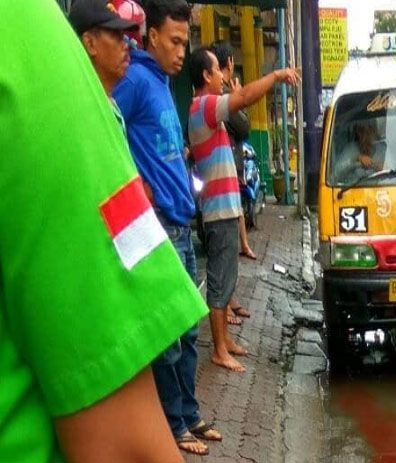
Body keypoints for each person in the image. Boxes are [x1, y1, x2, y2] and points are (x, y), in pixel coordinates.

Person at [0, 0, 209, 461]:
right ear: (88, 43)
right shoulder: (30, 40)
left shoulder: (148, 83)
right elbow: (126, 442)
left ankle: (185, 415)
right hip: (131, 242)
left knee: (180, 338)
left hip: (163, 228)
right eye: (115, 35)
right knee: (162, 348)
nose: (126, 44)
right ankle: (177, 420)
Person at [112, 0, 217, 455]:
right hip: (159, 230)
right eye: (174, 41)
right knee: (169, 338)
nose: (181, 51)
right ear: (150, 35)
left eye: (185, 41)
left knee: (189, 330)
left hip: (180, 223)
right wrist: (137, 182)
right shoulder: (134, 80)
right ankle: (172, 426)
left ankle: (189, 414)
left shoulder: (162, 80)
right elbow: (107, 129)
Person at [187, 47, 301, 373]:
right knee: (220, 281)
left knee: (227, 275)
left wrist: (236, 96)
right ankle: (219, 349)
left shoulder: (209, 110)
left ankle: (226, 342)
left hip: (225, 208)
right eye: (218, 71)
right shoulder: (204, 106)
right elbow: (246, 99)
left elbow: (242, 120)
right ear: (206, 75)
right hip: (218, 209)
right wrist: (277, 75)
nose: (224, 76)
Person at [211, 41, 257, 263]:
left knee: (236, 205)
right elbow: (243, 127)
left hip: (222, 159)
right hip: (225, 159)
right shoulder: (224, 98)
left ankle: (244, 244)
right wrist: (239, 98)